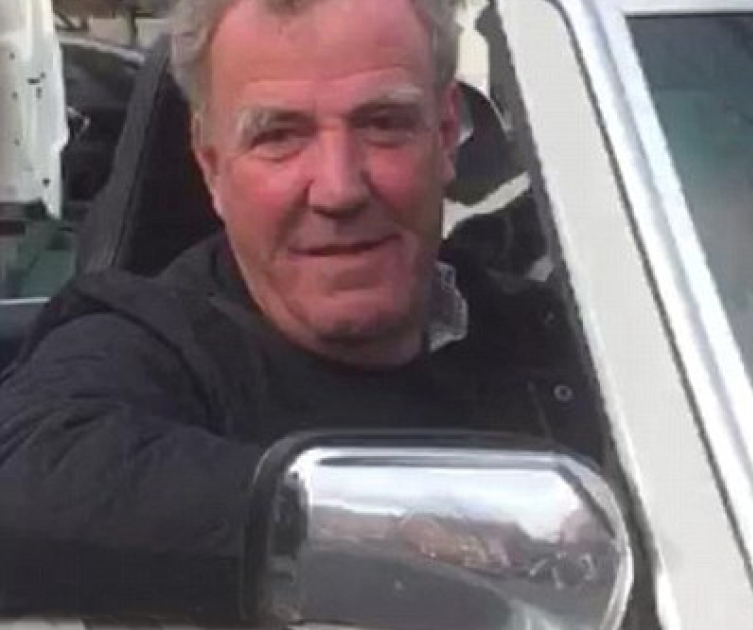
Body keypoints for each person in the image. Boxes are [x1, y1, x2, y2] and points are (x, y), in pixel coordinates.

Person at [0, 0, 601, 620]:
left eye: (383, 123)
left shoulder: (566, 335)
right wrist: (403, 532)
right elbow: (23, 480)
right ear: (212, 165)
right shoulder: (156, 344)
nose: (338, 189)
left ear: (446, 133)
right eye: (279, 136)